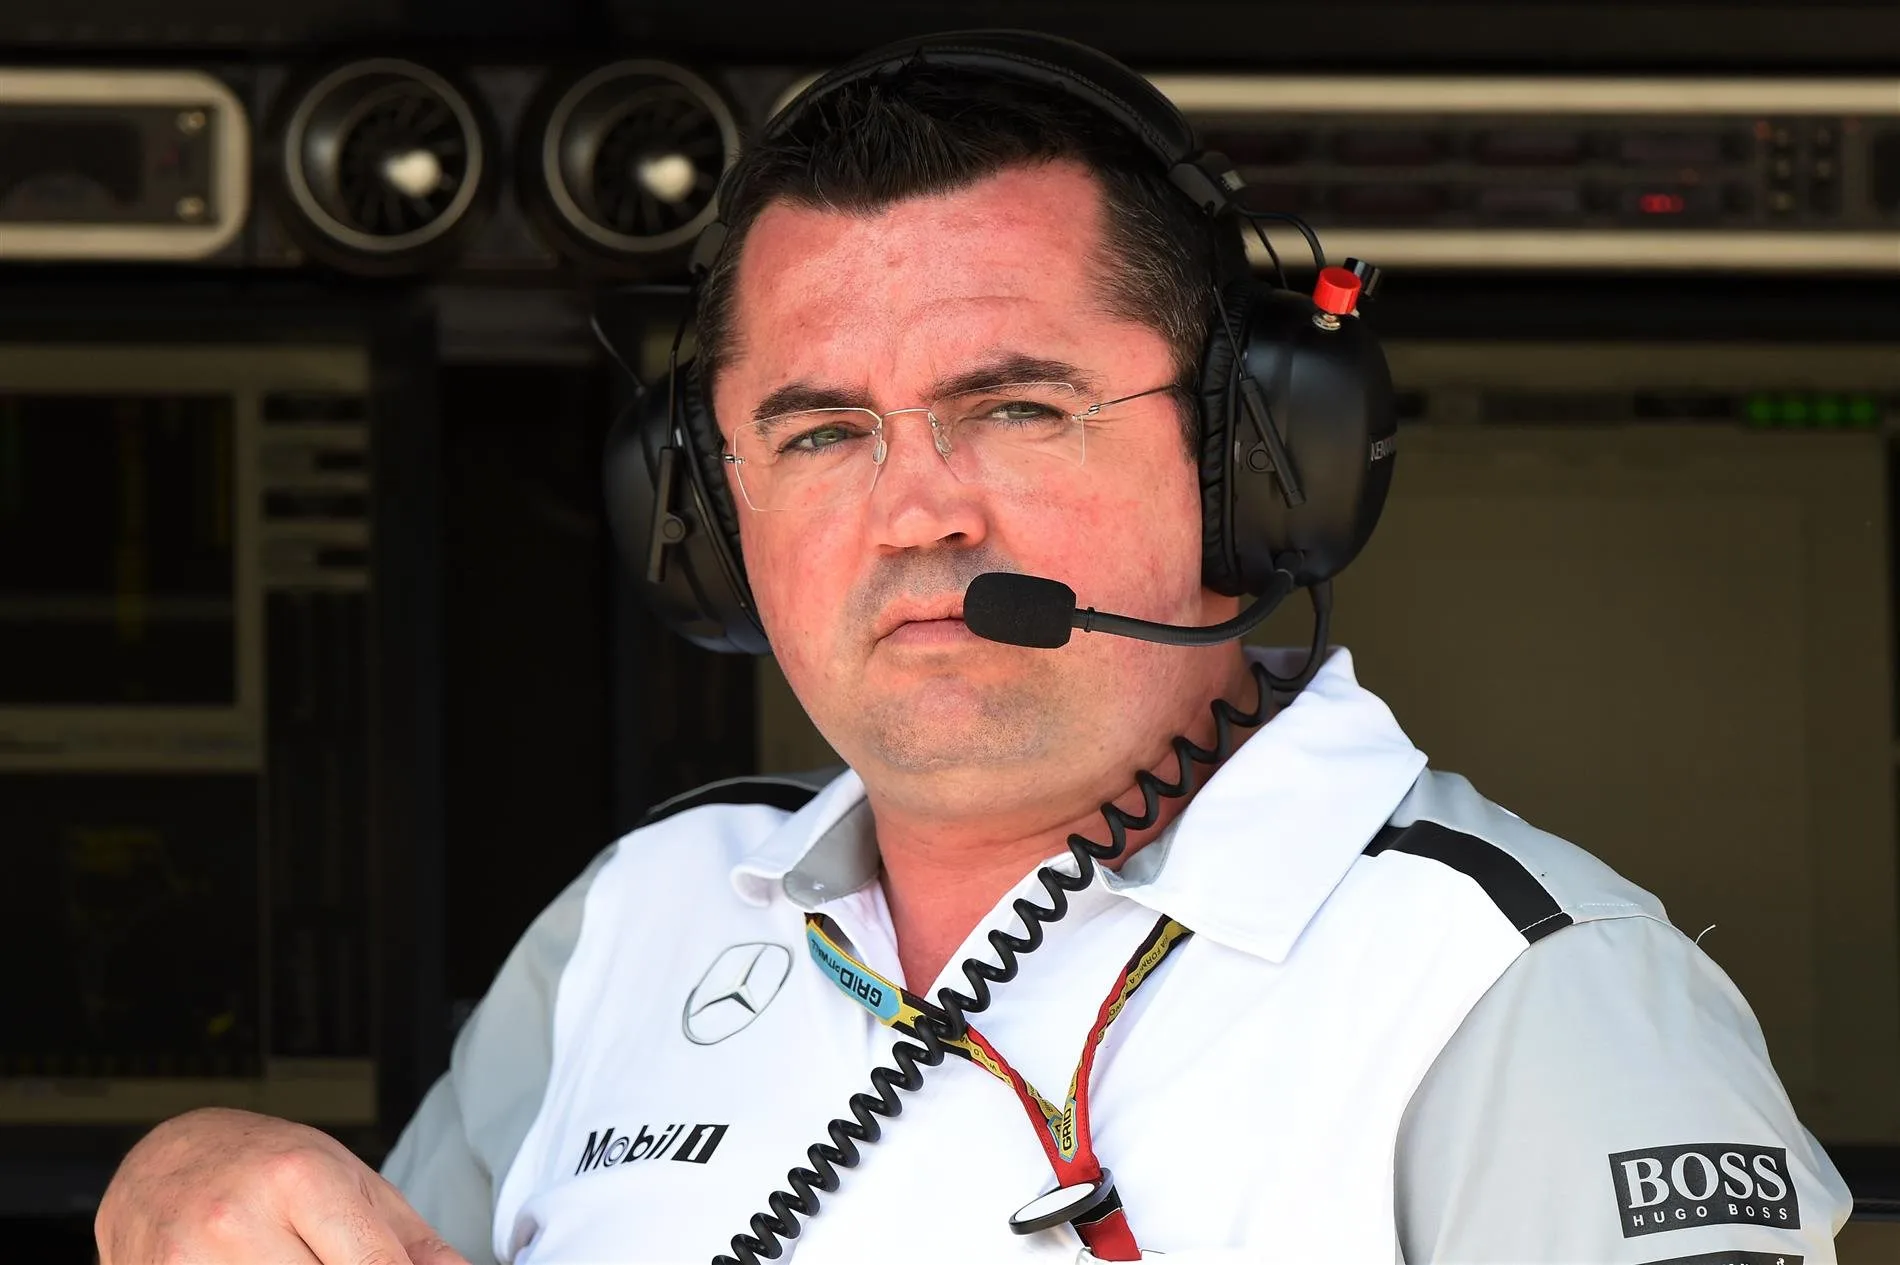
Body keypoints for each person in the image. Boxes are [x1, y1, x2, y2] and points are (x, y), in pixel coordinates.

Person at [96, 31, 1850, 1265]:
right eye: (819, 432)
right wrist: (196, 1169)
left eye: (1014, 408)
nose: (917, 510)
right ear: (710, 515)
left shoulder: (1522, 991)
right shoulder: (635, 925)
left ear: (1253, 464)